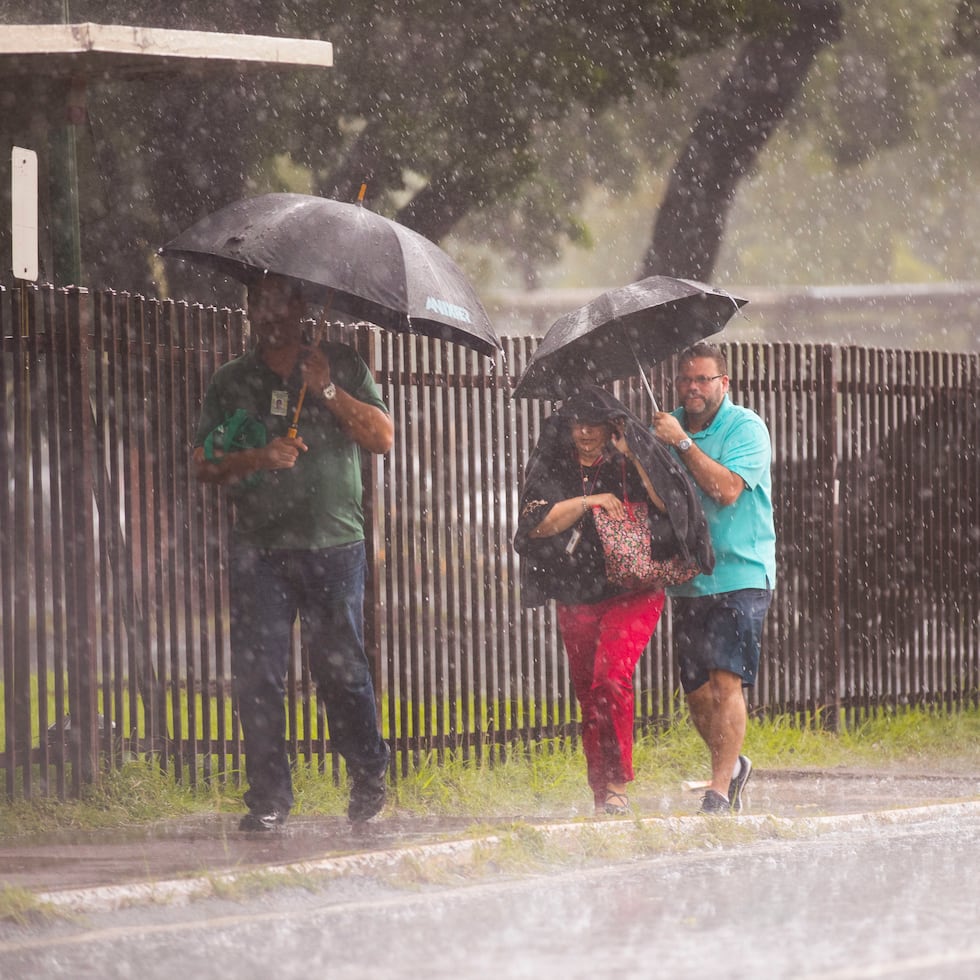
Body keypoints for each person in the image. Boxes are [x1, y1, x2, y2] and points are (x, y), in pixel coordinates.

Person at [191, 274, 393, 830]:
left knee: (341, 672)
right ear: (250, 311)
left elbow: (381, 438)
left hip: (334, 545)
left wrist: (328, 389)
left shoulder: (343, 363)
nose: (270, 315)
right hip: (260, 549)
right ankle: (269, 798)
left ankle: (369, 771)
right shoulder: (233, 380)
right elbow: (203, 464)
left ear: (304, 311)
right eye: (260, 304)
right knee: (258, 676)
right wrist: (258, 457)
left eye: (281, 304)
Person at [514, 387, 713, 815]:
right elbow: (535, 526)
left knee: (610, 677)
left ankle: (619, 782)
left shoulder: (628, 457)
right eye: (577, 424)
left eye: (593, 425)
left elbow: (670, 506)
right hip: (576, 592)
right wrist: (589, 501)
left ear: (610, 426)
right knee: (589, 692)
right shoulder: (555, 465)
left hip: (634, 589)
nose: (585, 433)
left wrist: (639, 456)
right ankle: (600, 789)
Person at [652, 342, 776, 815]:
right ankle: (734, 764)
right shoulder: (666, 426)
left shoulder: (746, 427)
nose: (693, 388)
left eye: (704, 379)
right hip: (689, 577)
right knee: (697, 694)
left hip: (741, 571)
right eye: (686, 379)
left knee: (727, 682)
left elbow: (725, 490)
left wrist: (683, 443)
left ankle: (718, 792)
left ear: (724, 383)